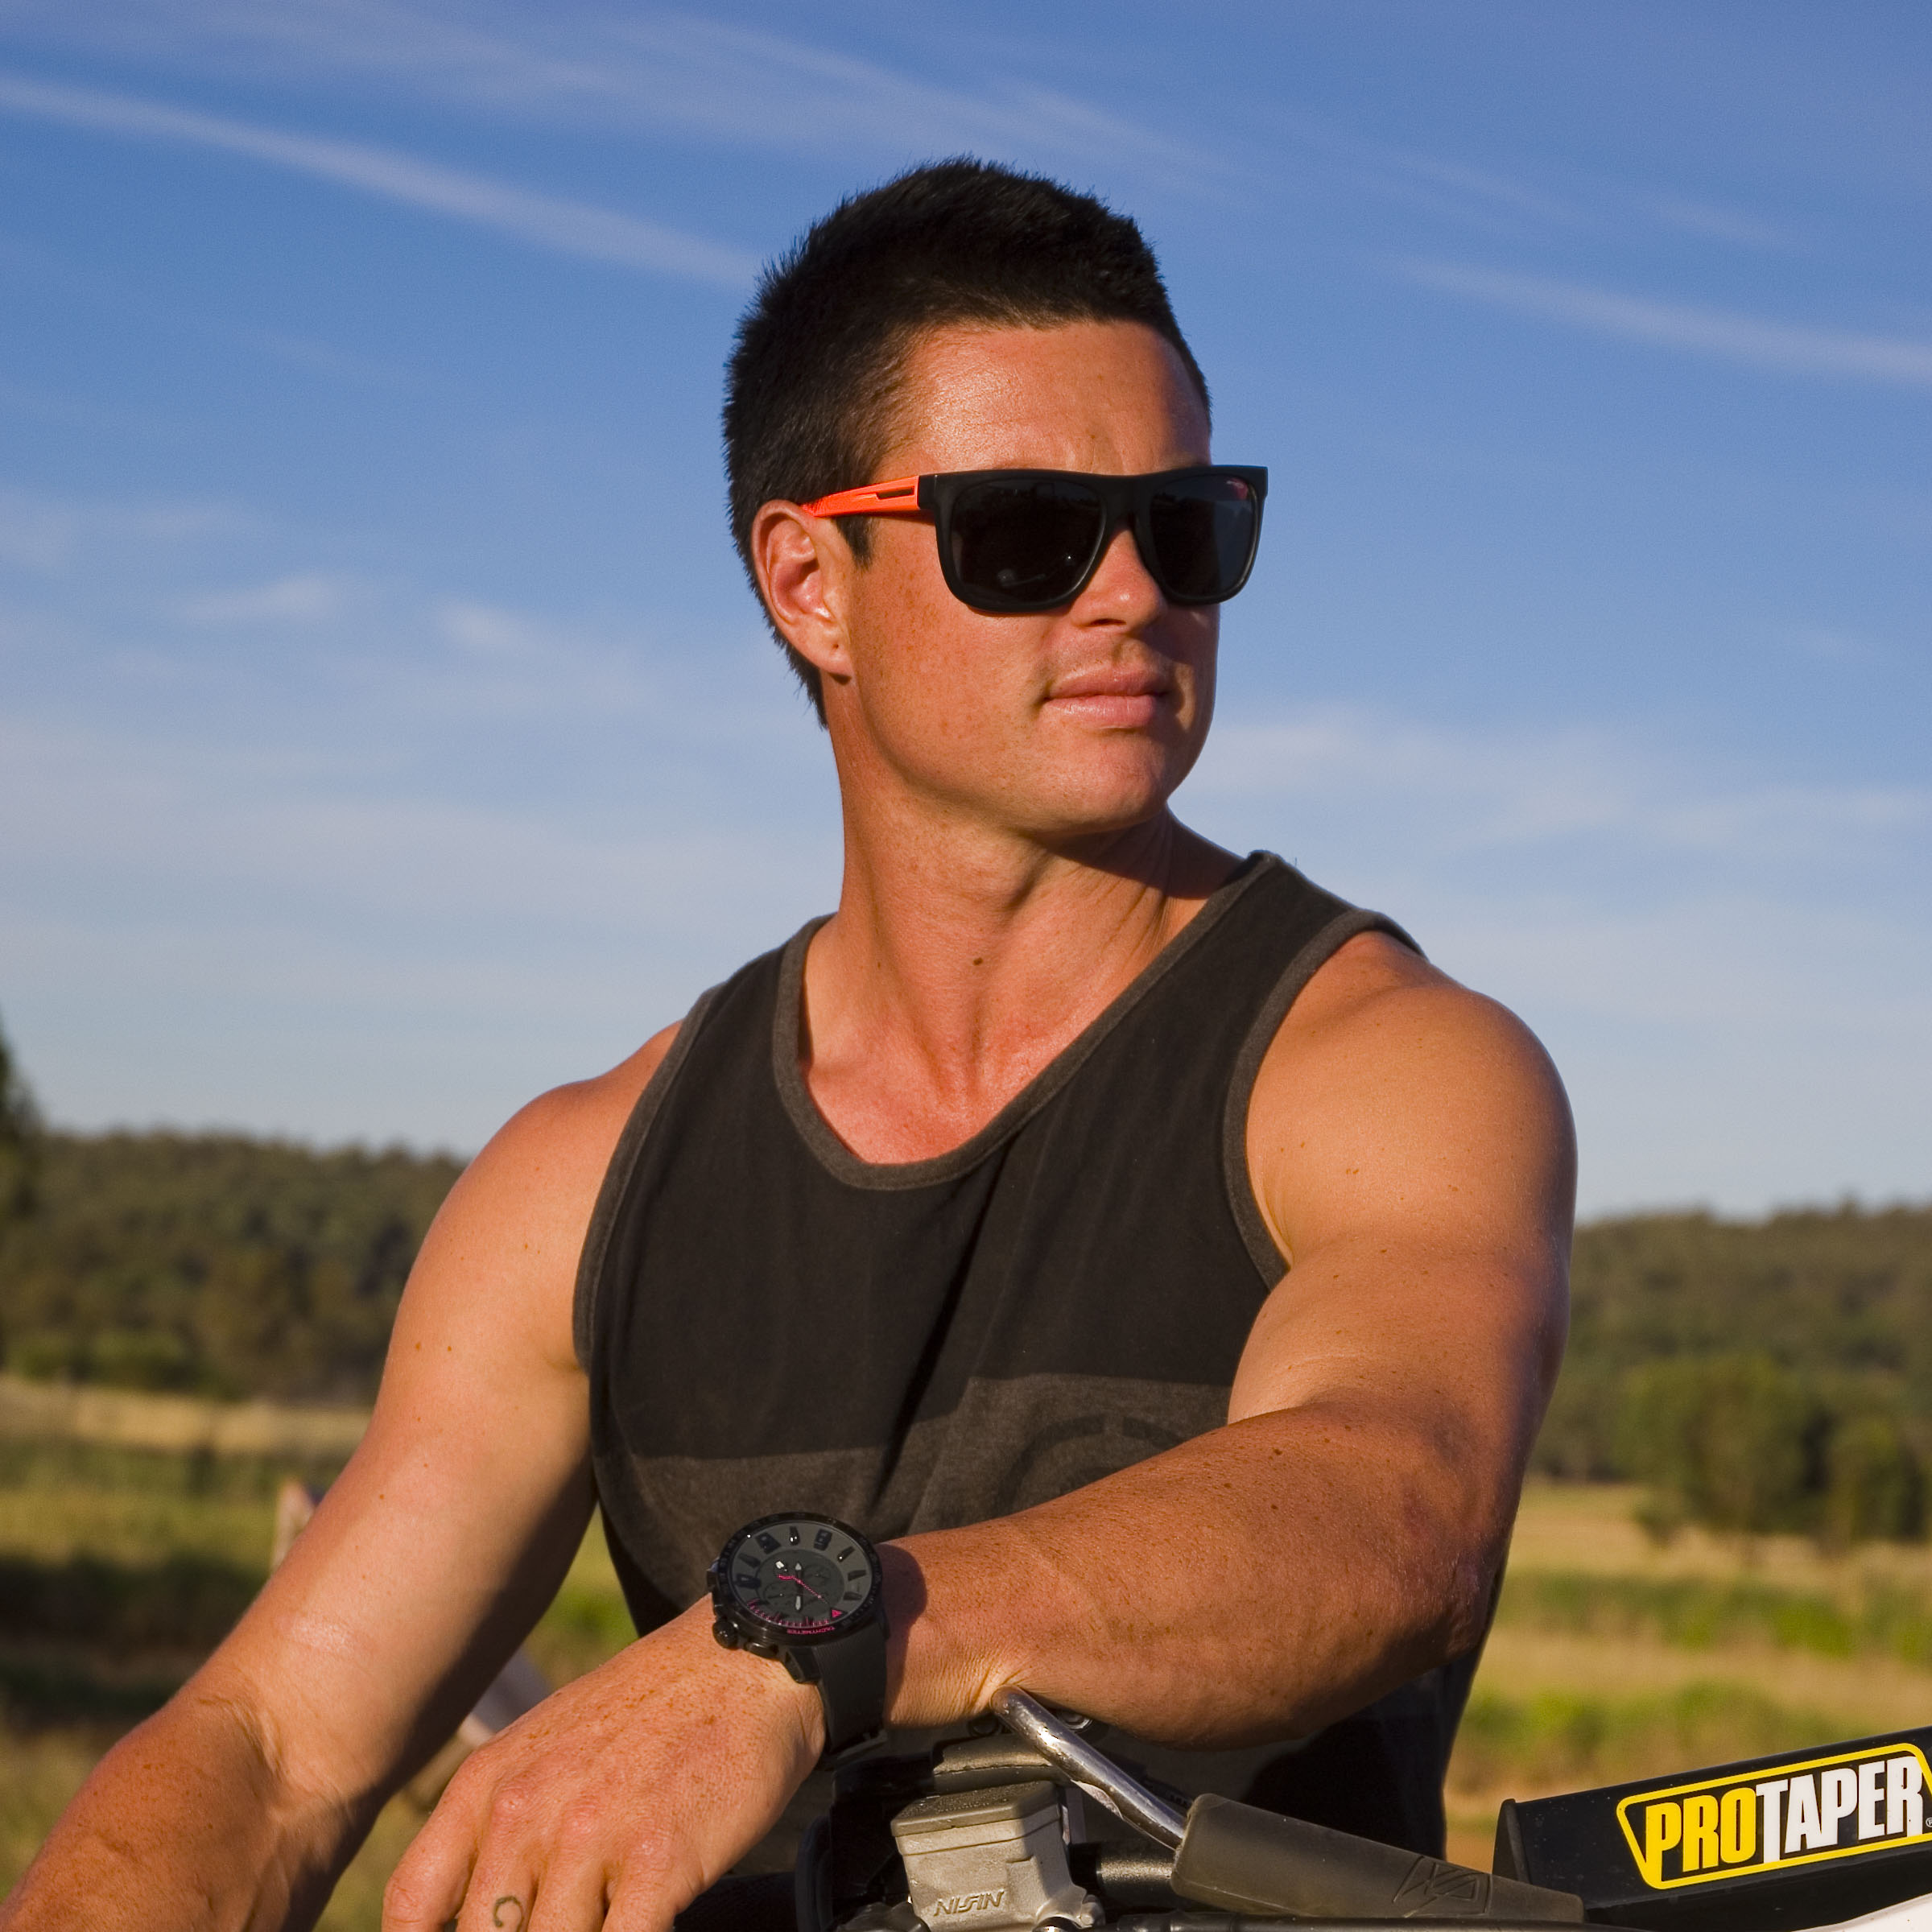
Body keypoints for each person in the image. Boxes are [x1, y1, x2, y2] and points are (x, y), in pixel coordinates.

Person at [2, 159, 1574, 1932]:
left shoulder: (1381, 1070)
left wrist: (806, 1646)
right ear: (810, 582)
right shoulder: (587, 1180)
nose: (1135, 592)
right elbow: (270, 1747)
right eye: (1026, 531)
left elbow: (1394, 1508)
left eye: (1187, 523)